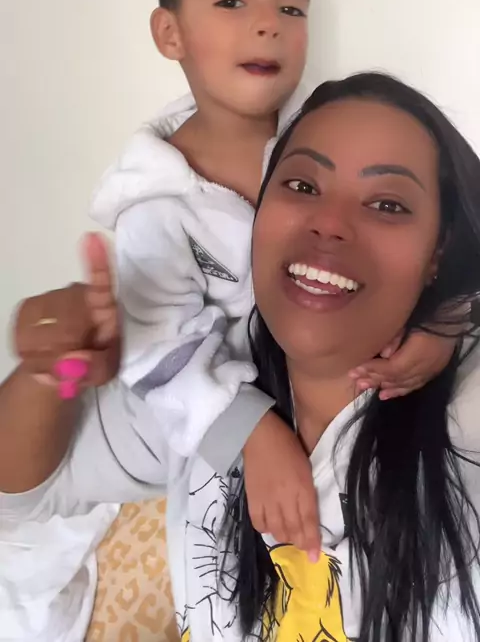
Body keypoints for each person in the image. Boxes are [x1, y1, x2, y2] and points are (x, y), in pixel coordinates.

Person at [14, 0, 455, 558]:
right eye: (232, 2)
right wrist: (251, 434)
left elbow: (437, 236)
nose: (268, 24)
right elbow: (160, 352)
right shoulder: (156, 202)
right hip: (222, 421)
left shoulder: (331, 132)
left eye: (291, 6)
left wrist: (443, 323)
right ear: (170, 33)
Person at [3, 71, 480, 641]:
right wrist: (46, 373)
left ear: (438, 252)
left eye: (386, 203)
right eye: (302, 185)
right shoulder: (201, 390)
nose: (329, 222)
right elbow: (22, 497)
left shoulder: (467, 411)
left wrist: (457, 313)